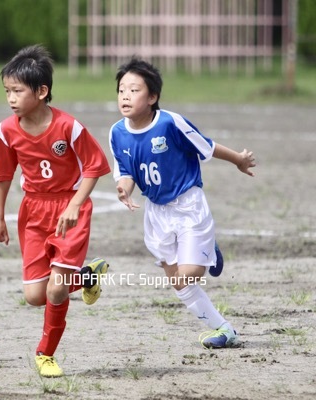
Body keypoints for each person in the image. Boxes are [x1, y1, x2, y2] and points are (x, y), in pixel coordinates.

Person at [108, 57, 256, 348]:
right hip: (156, 213)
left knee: (189, 273)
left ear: (152, 97)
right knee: (177, 281)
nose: (125, 95)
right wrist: (123, 189)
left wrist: (238, 159)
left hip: (188, 205)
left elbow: (207, 146)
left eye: (134, 90)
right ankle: (225, 331)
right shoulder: (117, 132)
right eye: (122, 89)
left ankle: (207, 250)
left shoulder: (169, 123)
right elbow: (125, 172)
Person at [0, 44, 112, 377]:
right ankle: (86, 276)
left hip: (69, 210)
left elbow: (95, 166)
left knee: (56, 288)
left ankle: (45, 354)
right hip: (33, 212)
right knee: (35, 296)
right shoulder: (7, 130)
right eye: (7, 91)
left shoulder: (68, 127)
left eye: (17, 91)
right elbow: (3, 175)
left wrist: (74, 204)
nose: (11, 98)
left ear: (42, 91)